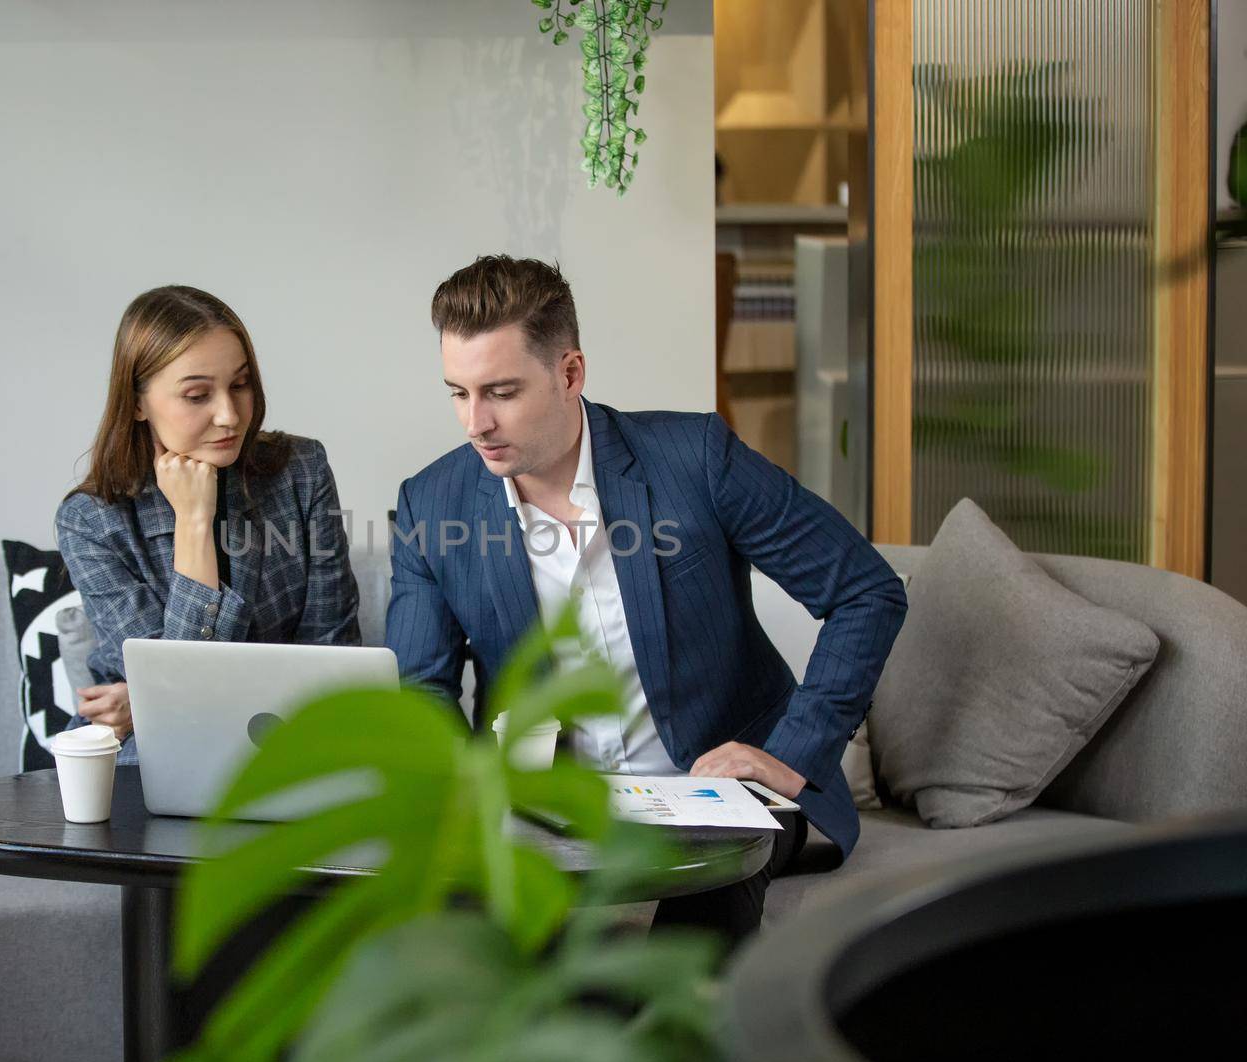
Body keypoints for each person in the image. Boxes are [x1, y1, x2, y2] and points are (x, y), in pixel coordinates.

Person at [385, 256, 907, 944]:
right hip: (552, 813)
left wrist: (792, 752)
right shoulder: (432, 505)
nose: (475, 422)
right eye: (458, 392)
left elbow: (866, 591)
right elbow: (423, 692)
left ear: (570, 372)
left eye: (501, 391)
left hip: (726, 803)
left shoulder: (694, 458)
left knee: (688, 932)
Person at [56, 285, 360, 764]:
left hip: (291, 744)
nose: (229, 415)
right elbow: (177, 703)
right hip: (158, 760)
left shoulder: (302, 470)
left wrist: (146, 702)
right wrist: (193, 522)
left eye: (239, 385)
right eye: (197, 394)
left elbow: (332, 656)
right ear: (137, 403)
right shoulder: (90, 522)